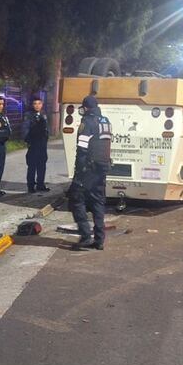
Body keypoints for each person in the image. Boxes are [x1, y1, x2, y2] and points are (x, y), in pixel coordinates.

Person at [70, 95, 112, 250]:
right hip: (102, 168)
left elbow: (82, 149)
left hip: (88, 168)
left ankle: (86, 236)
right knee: (98, 202)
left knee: (76, 199)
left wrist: (78, 170)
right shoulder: (106, 121)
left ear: (86, 108)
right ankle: (99, 240)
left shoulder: (87, 122)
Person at [22, 96, 50, 193]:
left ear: (42, 104)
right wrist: (28, 141)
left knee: (42, 164)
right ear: (32, 105)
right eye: (35, 104)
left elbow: (46, 128)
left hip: (42, 144)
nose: (37, 106)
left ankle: (40, 184)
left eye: (39, 103)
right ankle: (30, 186)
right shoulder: (28, 115)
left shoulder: (44, 114)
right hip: (33, 143)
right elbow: (25, 129)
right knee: (32, 165)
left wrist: (46, 138)